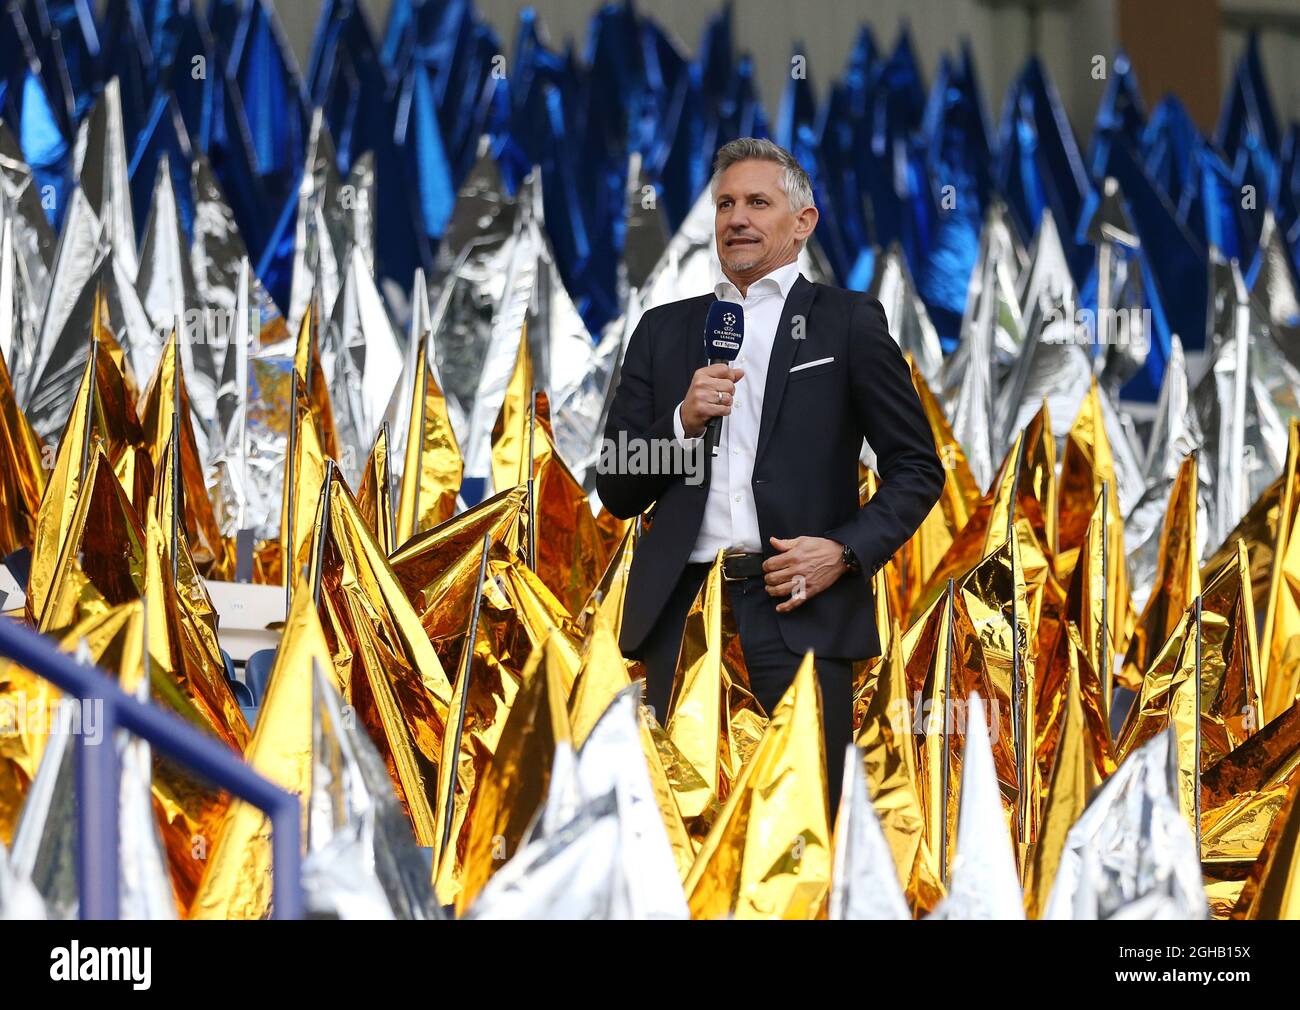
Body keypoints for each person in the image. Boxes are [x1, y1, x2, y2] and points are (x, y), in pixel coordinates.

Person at [595, 137, 945, 811]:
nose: (737, 218)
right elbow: (617, 483)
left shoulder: (848, 324)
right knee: (671, 836)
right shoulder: (663, 332)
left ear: (803, 222)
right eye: (726, 203)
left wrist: (843, 552)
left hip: (798, 611)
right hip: (679, 619)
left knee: (803, 831)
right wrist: (680, 425)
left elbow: (916, 467)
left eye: (759, 201)